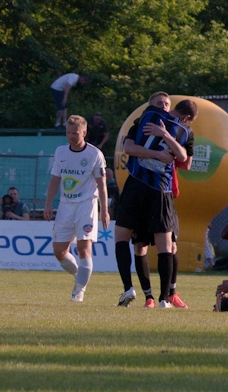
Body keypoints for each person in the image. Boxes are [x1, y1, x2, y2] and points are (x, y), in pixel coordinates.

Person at [114, 93, 197, 309]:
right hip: (138, 187)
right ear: (150, 107)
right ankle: (144, 294)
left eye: (166, 104)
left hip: (164, 191)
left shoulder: (182, 131)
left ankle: (168, 296)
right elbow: (129, 148)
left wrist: (165, 136)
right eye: (159, 104)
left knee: (169, 244)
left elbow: (185, 161)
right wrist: (157, 154)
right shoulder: (141, 122)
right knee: (138, 244)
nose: (163, 107)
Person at [43, 115, 108, 302]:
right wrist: (48, 204)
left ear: (84, 133)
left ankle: (79, 291)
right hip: (65, 206)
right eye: (68, 133)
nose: (71, 136)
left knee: (83, 248)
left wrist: (104, 210)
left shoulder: (95, 154)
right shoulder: (61, 152)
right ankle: (80, 274)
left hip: (86, 206)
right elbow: (55, 179)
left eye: (75, 133)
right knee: (59, 251)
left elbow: (101, 184)